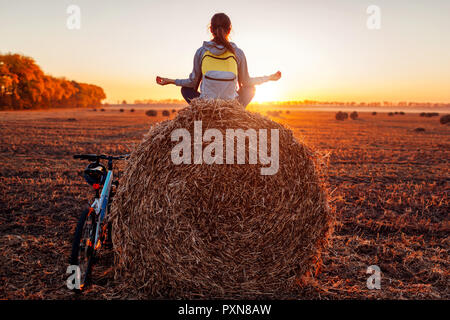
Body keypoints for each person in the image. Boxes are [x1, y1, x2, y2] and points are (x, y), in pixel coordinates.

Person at [156, 13, 281, 108]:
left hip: (206, 106)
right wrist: (269, 78)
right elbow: (247, 82)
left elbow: (192, 83)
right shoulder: (238, 53)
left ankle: (203, 112)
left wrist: (170, 81)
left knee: (185, 89)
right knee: (251, 88)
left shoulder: (201, 51)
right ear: (230, 30)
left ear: (211, 29)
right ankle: (236, 112)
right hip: (231, 105)